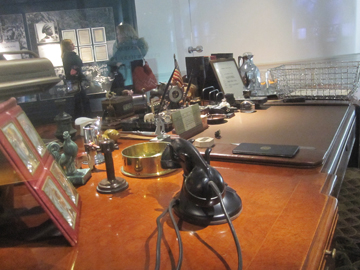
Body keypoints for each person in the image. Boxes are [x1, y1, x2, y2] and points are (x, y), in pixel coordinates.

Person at [108, 23, 149, 92]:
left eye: (118, 34)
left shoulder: (124, 48)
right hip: (137, 81)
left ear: (124, 35)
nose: (117, 37)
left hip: (126, 81)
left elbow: (114, 61)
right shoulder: (138, 46)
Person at [61, 39, 91, 119]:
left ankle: (79, 117)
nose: (73, 45)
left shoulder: (65, 56)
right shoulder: (70, 56)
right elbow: (79, 63)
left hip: (73, 81)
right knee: (81, 100)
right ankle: (84, 117)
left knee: (78, 100)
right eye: (71, 44)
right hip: (76, 81)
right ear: (67, 46)